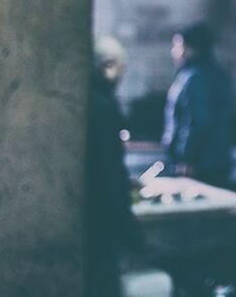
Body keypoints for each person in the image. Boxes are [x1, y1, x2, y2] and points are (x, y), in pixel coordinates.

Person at [86, 35, 142, 296]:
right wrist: (129, 231)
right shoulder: (102, 106)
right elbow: (109, 170)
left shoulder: (86, 99)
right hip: (99, 217)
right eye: (119, 69)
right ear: (108, 66)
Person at [161, 23, 234, 187]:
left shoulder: (194, 78)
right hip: (216, 160)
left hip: (199, 165)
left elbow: (196, 121)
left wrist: (187, 159)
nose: (174, 52)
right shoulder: (218, 74)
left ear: (191, 47)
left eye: (177, 45)